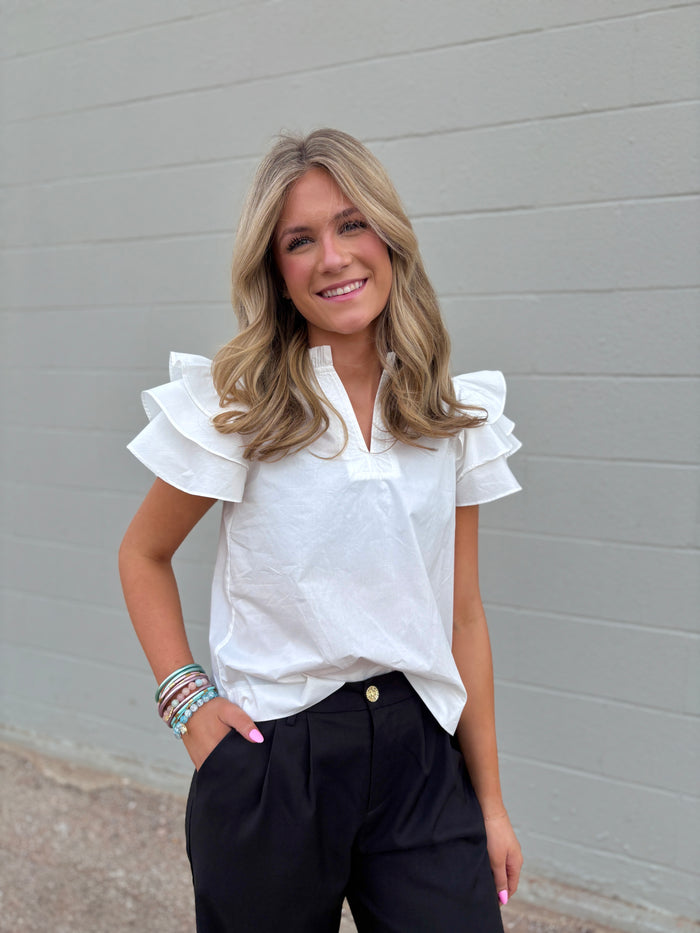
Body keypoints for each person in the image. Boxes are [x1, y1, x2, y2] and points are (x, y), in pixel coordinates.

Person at [119, 127, 523, 933]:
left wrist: (491, 801)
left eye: (350, 224)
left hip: (420, 756)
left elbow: (464, 614)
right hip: (277, 760)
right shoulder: (242, 404)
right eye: (300, 241)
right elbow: (143, 552)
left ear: (388, 236)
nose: (333, 257)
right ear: (277, 272)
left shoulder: (449, 414)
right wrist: (190, 705)